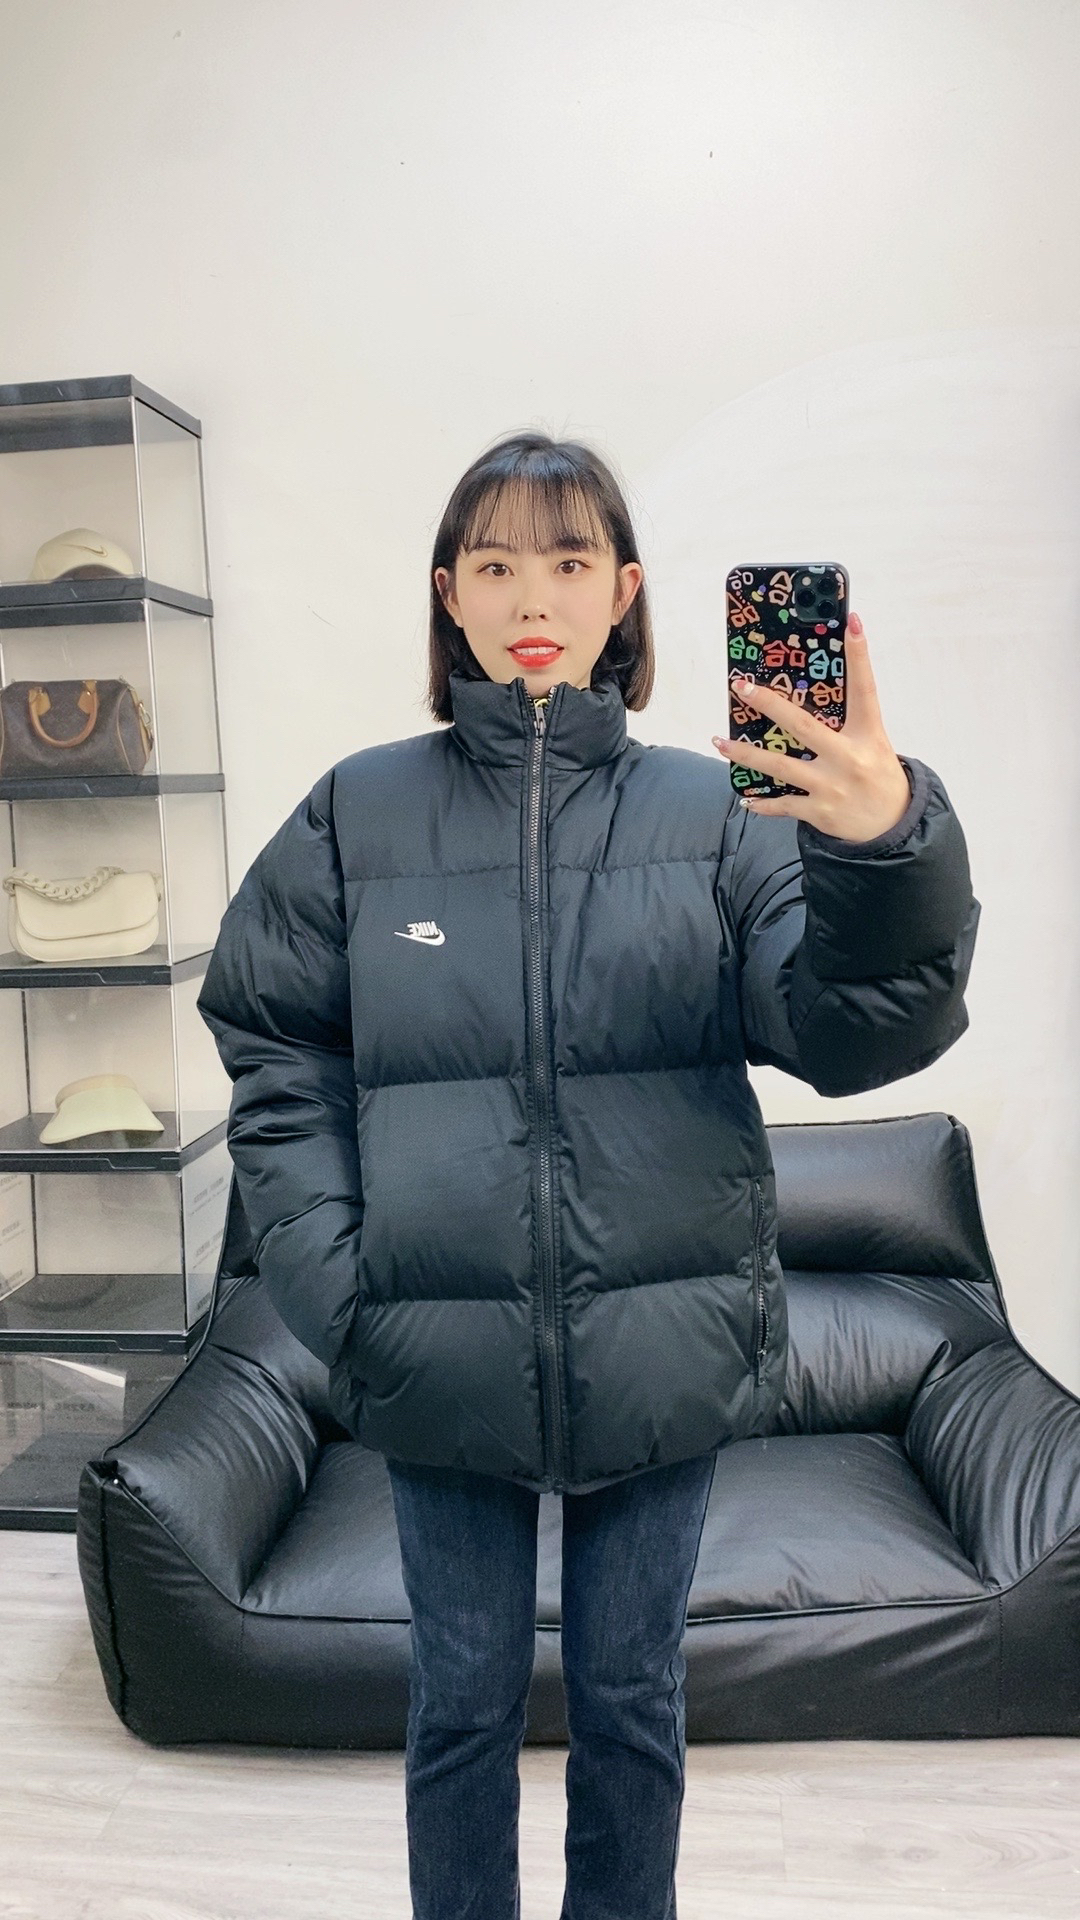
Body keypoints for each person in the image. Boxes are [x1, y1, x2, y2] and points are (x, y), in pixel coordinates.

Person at [196, 431, 980, 1920]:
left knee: (631, 1706)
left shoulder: (720, 816)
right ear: (450, 593)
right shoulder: (358, 813)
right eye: (494, 563)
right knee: (460, 1708)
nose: (532, 596)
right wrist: (342, 1282)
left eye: (569, 561)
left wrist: (881, 846)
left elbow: (848, 1035)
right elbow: (273, 1041)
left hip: (663, 1347)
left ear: (624, 592)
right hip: (430, 1347)